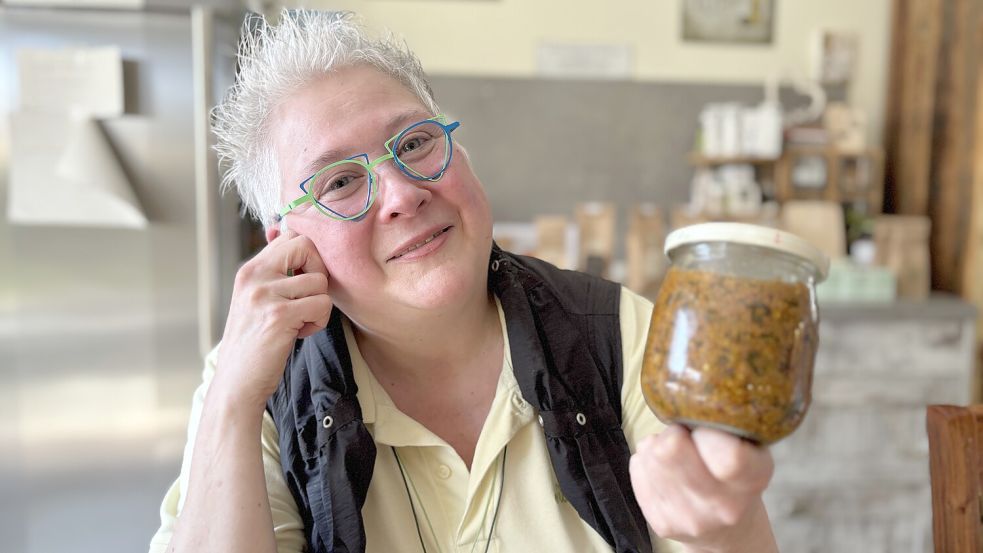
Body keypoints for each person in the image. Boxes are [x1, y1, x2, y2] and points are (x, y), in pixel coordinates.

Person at [149, 9, 778, 553]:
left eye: (415, 142)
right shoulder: (256, 388)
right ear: (285, 246)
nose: (400, 193)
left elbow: (726, 529)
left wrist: (722, 524)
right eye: (340, 182)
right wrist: (233, 400)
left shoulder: (621, 335)